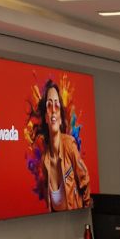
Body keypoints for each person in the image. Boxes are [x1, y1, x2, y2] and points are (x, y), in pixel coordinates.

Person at [37, 79, 91, 211]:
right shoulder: (45, 161)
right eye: (49, 105)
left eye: (57, 105)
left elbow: (85, 180)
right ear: (46, 117)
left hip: (75, 220)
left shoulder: (69, 146)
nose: (53, 110)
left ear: (60, 118)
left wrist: (84, 216)